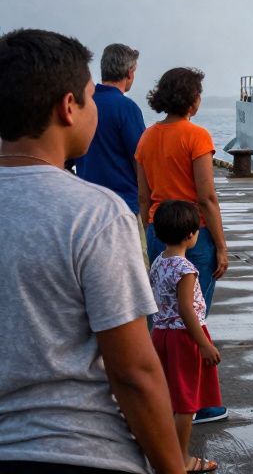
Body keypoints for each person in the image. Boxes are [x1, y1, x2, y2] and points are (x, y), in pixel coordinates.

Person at [0, 29, 184, 474]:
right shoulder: (96, 216)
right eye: (89, 98)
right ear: (68, 107)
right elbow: (133, 373)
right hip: (79, 448)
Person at [136, 66, 229, 425]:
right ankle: (198, 404)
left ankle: (162, 393)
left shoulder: (146, 138)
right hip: (194, 233)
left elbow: (143, 198)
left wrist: (147, 239)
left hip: (158, 229)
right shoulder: (196, 136)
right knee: (193, 319)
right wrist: (220, 245)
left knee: (162, 317)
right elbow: (206, 197)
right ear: (192, 97)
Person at [148, 201, 222, 474]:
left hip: (161, 334)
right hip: (184, 336)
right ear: (192, 234)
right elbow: (185, 307)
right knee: (185, 403)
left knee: (167, 398)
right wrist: (203, 343)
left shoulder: (159, 262)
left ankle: (163, 453)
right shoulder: (185, 269)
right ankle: (180, 459)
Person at [72, 43, 147, 214]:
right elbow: (140, 160)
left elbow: (66, 158)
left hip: (86, 206)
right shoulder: (126, 108)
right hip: (123, 206)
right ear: (129, 73)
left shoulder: (81, 104)